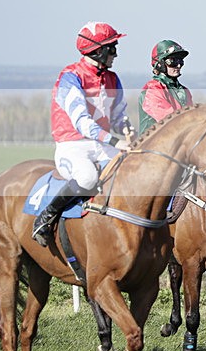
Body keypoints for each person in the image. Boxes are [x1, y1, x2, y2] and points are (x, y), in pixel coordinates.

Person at [31, 21, 131, 247]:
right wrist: (116, 141)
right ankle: (46, 217)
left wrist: (129, 133)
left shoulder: (112, 78)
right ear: (99, 50)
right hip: (73, 145)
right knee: (87, 178)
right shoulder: (70, 77)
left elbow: (119, 115)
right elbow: (83, 123)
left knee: (129, 172)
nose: (116, 53)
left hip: (102, 145)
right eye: (112, 47)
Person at [138, 40, 193, 133]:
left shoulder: (185, 90)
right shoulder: (153, 90)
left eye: (180, 60)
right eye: (173, 61)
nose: (178, 65)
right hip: (152, 145)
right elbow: (170, 122)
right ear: (160, 64)